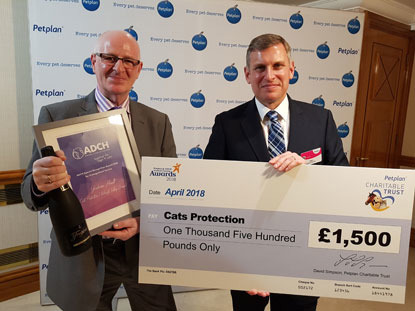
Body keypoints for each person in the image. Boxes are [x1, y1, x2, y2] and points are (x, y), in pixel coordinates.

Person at [21, 30, 177, 311]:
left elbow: (170, 195)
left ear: (139, 70)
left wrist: (143, 223)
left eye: (129, 61)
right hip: (85, 256)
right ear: (93, 61)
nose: (119, 67)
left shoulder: (159, 122)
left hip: (142, 251)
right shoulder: (57, 116)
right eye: (109, 57)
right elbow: (30, 195)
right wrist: (38, 183)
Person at [204, 34, 349, 311]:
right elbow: (211, 194)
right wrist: (229, 261)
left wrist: (305, 173)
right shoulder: (226, 124)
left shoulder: (321, 120)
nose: (269, 75)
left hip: (303, 257)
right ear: (247, 74)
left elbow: (343, 181)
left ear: (291, 70)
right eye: (260, 68)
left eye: (277, 66)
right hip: (246, 258)